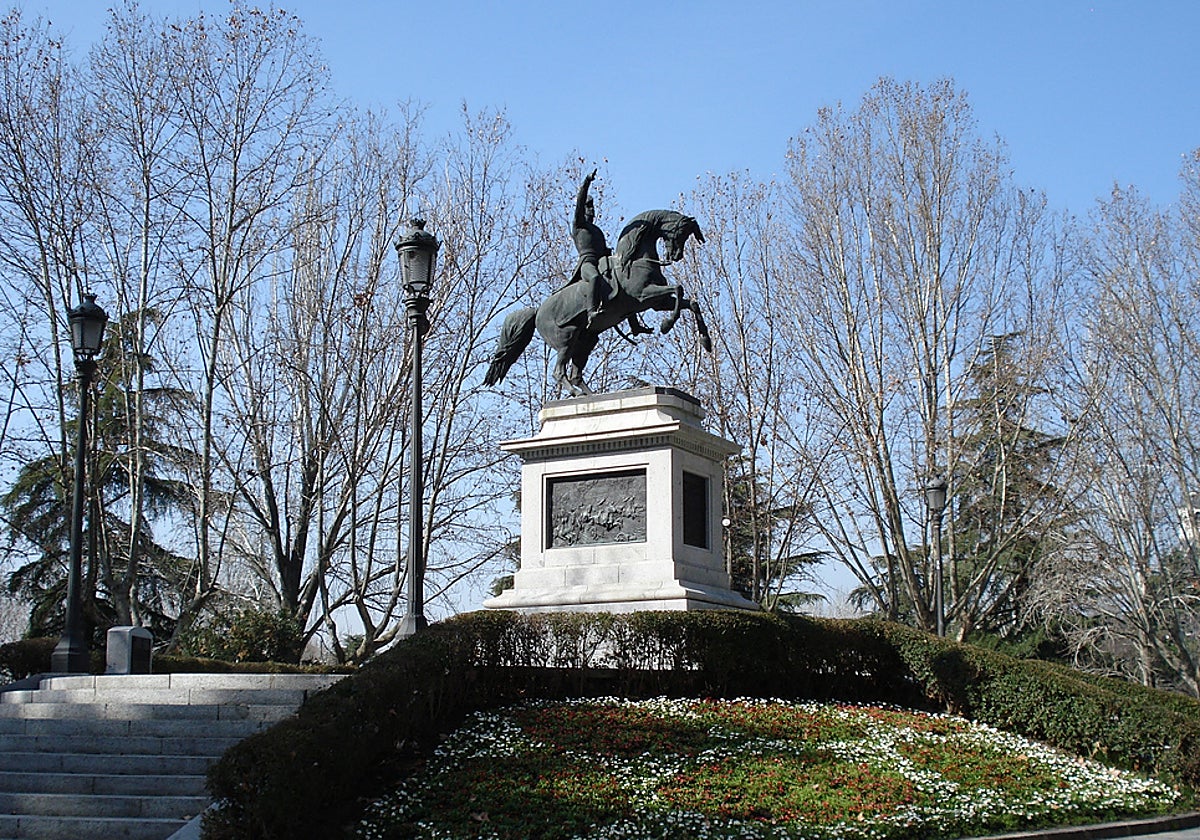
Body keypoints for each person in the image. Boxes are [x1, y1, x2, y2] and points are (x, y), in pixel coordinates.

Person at [570, 170, 651, 335]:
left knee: (624, 283)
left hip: (602, 262)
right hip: (587, 263)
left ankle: (634, 326)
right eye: (587, 206)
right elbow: (579, 203)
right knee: (594, 277)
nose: (591, 210)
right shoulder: (579, 225)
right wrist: (586, 182)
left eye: (592, 206)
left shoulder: (597, 230)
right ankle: (591, 312)